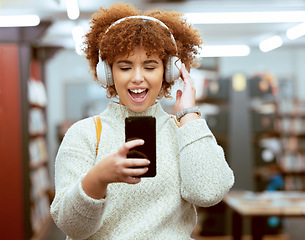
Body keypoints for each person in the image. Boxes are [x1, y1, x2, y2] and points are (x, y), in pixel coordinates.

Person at [50, 3, 234, 240]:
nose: (138, 78)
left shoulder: (185, 130)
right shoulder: (84, 134)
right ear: (108, 73)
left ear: (167, 72)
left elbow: (208, 193)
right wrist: (98, 178)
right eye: (125, 67)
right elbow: (71, 227)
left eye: (150, 66)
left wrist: (188, 114)